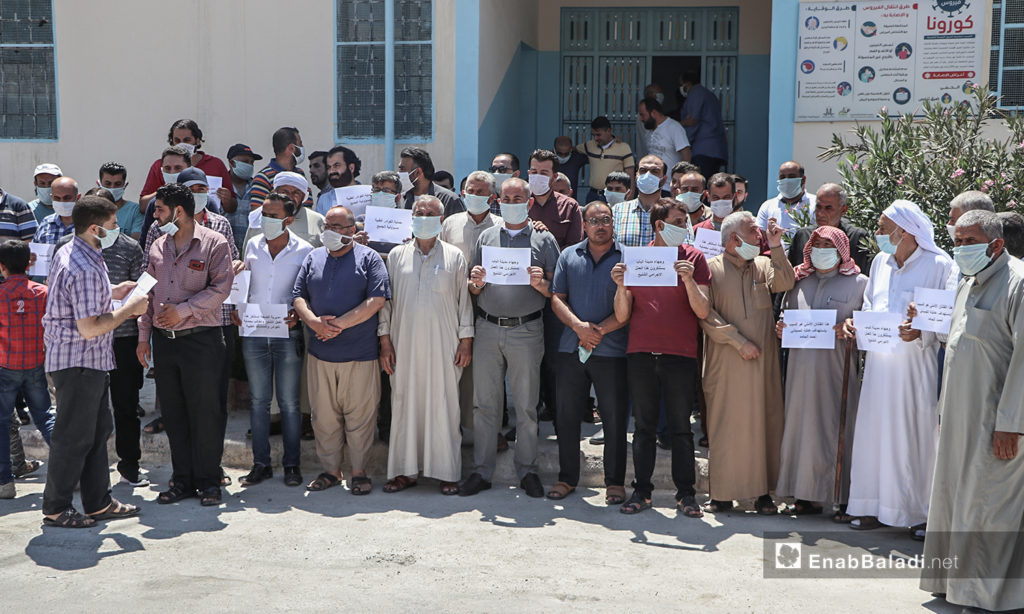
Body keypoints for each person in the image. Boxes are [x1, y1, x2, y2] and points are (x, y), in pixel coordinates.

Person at [919, 210, 1024, 612]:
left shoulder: (1018, 283)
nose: (960, 250)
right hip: (960, 417)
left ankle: (984, 596)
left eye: (969, 242)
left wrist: (1012, 424)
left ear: (996, 245)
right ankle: (951, 583)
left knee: (988, 505)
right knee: (954, 500)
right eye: (957, 241)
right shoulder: (968, 283)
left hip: (997, 422)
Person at [842, 200, 957, 532]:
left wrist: (921, 330)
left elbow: (947, 318)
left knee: (912, 437)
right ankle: (868, 507)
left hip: (915, 369)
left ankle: (918, 514)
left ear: (904, 230)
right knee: (872, 435)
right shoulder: (880, 262)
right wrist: (855, 324)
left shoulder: (939, 265)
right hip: (878, 367)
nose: (877, 234)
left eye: (881, 227)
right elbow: (869, 305)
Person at [41, 196, 148, 528]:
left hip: (88, 362)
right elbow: (90, 327)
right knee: (73, 437)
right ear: (94, 228)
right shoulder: (85, 266)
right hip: (80, 362)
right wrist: (131, 309)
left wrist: (116, 291)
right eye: (113, 225)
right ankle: (56, 508)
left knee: (97, 431)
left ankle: (98, 502)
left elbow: (81, 299)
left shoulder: (77, 250)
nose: (118, 230)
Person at [460, 177, 560, 498]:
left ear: (529, 203)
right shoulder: (487, 236)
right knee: (485, 405)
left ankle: (527, 470)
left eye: (519, 197)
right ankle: (482, 471)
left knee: (526, 407)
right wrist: (474, 282)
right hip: (488, 327)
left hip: (527, 329)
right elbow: (474, 286)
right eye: (506, 197)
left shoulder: (544, 240)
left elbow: (557, 291)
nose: (512, 201)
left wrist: (542, 284)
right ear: (497, 201)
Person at [611, 198, 711, 515]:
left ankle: (687, 495)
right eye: (679, 222)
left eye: (686, 221)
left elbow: (703, 310)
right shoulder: (637, 259)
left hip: (680, 355)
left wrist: (689, 280)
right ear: (659, 225)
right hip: (641, 353)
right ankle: (642, 493)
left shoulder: (695, 258)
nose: (686, 227)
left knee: (681, 428)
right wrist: (620, 285)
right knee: (643, 428)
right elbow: (622, 314)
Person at [136, 183, 234, 507]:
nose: (155, 216)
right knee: (175, 415)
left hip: (202, 342)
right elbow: (147, 294)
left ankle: (209, 481)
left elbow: (221, 289)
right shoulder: (157, 247)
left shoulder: (214, 244)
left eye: (160, 210)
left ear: (178, 212)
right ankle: (182, 480)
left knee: (206, 413)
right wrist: (142, 337)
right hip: (166, 345)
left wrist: (183, 310)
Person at [378, 195, 473, 495]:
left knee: (444, 405)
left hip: (444, 343)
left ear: (441, 220)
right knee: (405, 403)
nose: (423, 217)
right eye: (418, 212)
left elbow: (464, 303)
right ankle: (405, 472)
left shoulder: (455, 257)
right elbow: (387, 304)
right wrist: (385, 341)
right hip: (402, 343)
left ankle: (446, 472)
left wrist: (466, 341)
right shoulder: (395, 255)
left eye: (430, 213)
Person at [701, 212, 793, 514]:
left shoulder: (764, 265)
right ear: (733, 240)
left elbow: (785, 282)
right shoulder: (711, 269)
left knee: (765, 426)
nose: (760, 236)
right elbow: (706, 316)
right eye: (754, 232)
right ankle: (722, 495)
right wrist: (738, 342)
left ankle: (764, 495)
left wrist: (777, 246)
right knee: (726, 428)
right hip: (726, 363)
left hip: (762, 365)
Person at [293, 205, 389, 495]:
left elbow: (376, 301)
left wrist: (338, 326)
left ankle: (359, 472)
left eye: (337, 227)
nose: (331, 233)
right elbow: (298, 296)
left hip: (359, 354)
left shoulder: (369, 259)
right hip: (320, 356)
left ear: (351, 231)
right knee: (323, 417)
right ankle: (331, 471)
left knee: (360, 417)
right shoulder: (313, 257)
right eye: (327, 227)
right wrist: (312, 321)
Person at [775, 227, 867, 519]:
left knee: (836, 431)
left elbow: (871, 324)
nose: (822, 249)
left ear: (841, 249)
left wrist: (852, 327)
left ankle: (842, 497)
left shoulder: (859, 284)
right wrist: (781, 328)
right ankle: (805, 496)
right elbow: (785, 316)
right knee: (803, 433)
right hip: (800, 375)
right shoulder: (799, 282)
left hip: (837, 373)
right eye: (817, 244)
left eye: (829, 244)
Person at [548, 200, 630, 502]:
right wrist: (580, 328)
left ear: (612, 224)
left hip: (612, 351)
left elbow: (629, 307)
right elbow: (557, 297)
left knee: (614, 417)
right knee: (567, 416)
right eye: (594, 220)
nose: (600, 225)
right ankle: (567, 478)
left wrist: (599, 332)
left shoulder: (626, 258)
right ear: (584, 224)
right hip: (572, 347)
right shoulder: (569, 255)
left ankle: (615, 482)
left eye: (605, 219)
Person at [236, 192, 312, 488]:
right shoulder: (252, 245)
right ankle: (261, 464)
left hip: (287, 333)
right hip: (254, 333)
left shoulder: (304, 250)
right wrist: (237, 309)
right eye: (263, 214)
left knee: (290, 403)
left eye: (273, 216)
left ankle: (292, 465)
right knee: (258, 402)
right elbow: (243, 285)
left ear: (288, 220)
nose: (266, 220)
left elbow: (307, 291)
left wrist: (298, 313)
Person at [440, 171, 502, 443]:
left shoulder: (502, 224)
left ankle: (492, 429)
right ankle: (459, 426)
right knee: (458, 366)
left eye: (480, 192)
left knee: (490, 372)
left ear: (492, 197)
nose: (473, 197)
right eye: (469, 191)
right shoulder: (450, 223)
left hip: (493, 305)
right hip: (454, 304)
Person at [0, 240, 54, 500]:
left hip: (6, 366)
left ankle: (4, 483)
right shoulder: (43, 292)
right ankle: (72, 472)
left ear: (1, 267)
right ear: (30, 262)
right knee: (45, 416)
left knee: (1, 423)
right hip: (35, 363)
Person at [139, 119, 235, 212]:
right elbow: (143, 207)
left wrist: (227, 200)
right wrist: (164, 192)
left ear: (197, 141)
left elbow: (232, 207)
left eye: (187, 140)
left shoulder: (216, 164)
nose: (181, 144)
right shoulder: (161, 166)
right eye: (177, 140)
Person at [786, 184, 871, 273]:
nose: (820, 213)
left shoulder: (857, 238)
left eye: (828, 208)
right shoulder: (802, 236)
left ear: (843, 210)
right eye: (818, 207)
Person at [694, 173, 771, 254]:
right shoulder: (697, 230)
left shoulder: (752, 230)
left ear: (735, 196)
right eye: (716, 197)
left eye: (726, 197)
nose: (721, 201)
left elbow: (766, 259)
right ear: (708, 196)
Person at [246, 171, 325, 249]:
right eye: (284, 192)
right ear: (275, 192)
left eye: (296, 193)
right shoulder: (258, 218)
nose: (290, 197)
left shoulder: (318, 221)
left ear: (304, 196)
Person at [526, 149, 583, 250]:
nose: (538, 176)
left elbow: (574, 246)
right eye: (534, 172)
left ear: (554, 176)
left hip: (557, 263)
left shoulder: (569, 206)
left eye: (544, 173)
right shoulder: (519, 202)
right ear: (529, 173)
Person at [678, 71, 728, 179]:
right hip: (714, 149)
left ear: (687, 83)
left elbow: (692, 121)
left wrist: (684, 145)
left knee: (699, 184)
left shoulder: (696, 94)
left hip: (703, 150)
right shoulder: (708, 94)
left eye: (681, 84)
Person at [612, 154, 669, 248]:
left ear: (664, 180)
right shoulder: (617, 210)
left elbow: (686, 247)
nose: (648, 175)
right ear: (636, 175)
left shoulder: (675, 212)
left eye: (655, 171)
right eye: (643, 170)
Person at [575, 116, 636, 203]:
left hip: (614, 195)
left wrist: (630, 199)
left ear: (608, 131)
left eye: (598, 134)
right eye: (594, 135)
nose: (596, 138)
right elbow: (570, 149)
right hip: (593, 195)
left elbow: (630, 176)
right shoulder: (589, 146)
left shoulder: (623, 148)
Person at [139, 145, 192, 241]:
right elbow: (144, 243)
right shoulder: (154, 204)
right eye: (167, 168)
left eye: (178, 168)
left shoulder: (203, 201)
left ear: (189, 169)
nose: (172, 172)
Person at [250, 126, 310, 208]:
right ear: (291, 148)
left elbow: (308, 206)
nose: (302, 147)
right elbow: (257, 214)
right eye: (300, 144)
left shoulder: (300, 174)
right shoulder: (263, 177)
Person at [755, 161, 816, 242]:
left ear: (803, 180)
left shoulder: (816, 204)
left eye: (791, 176)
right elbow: (760, 237)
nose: (786, 180)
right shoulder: (768, 206)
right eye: (782, 177)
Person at [399, 147, 464, 217]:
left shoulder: (449, 200)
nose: (399, 173)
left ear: (417, 172)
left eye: (402, 169)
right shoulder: (400, 200)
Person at [224, 143, 263, 254]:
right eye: (245, 162)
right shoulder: (220, 186)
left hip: (252, 250)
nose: (250, 165)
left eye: (252, 162)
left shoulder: (257, 187)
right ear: (231, 162)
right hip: (225, 251)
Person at [637, 97, 691, 171]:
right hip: (652, 180)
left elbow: (686, 154)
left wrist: (679, 177)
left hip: (669, 181)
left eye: (643, 115)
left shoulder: (674, 127)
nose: (641, 119)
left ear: (653, 113)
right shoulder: (649, 129)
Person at [98, 162, 145, 240]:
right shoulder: (91, 209)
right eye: (108, 184)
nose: (112, 188)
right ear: (99, 184)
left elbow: (135, 242)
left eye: (117, 184)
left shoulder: (135, 210)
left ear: (125, 185)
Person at [314, 145, 363, 215]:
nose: (331, 171)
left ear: (351, 168)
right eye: (328, 167)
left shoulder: (368, 196)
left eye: (336, 166)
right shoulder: (324, 199)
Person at [34, 176, 79, 245]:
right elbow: (35, 251)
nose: (62, 202)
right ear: (51, 198)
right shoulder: (46, 223)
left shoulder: (87, 225)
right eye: (57, 198)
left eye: (67, 198)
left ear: (78, 197)